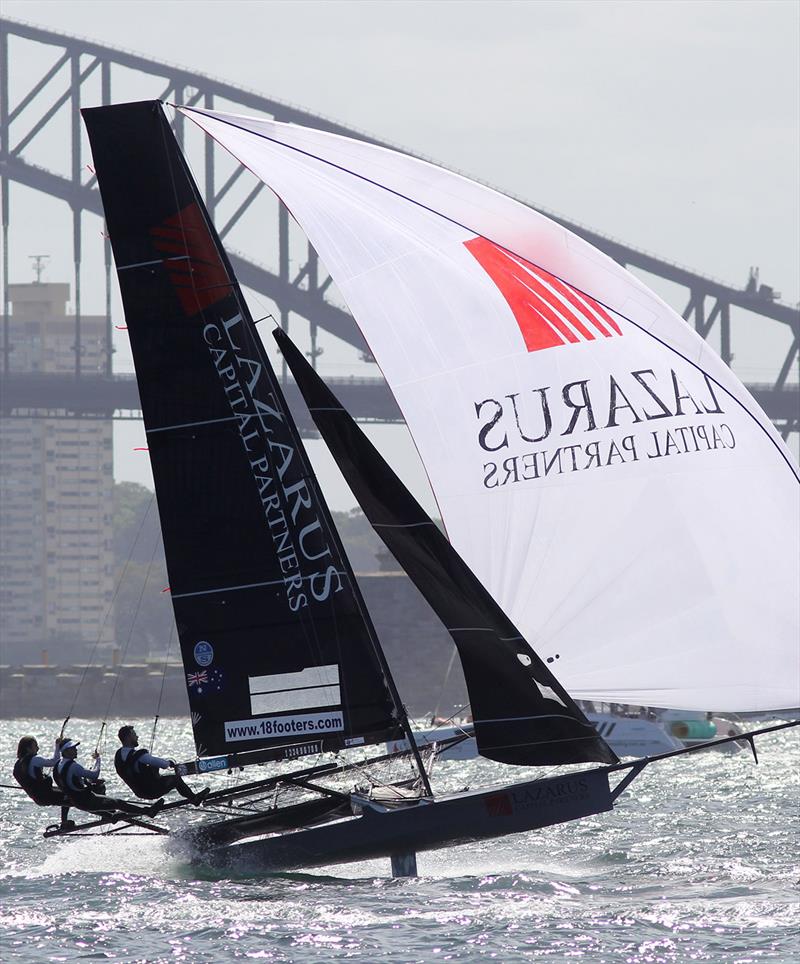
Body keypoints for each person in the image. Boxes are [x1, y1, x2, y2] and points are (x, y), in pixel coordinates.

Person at [54, 739, 164, 820]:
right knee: (119, 803)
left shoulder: (58, 765)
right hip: (87, 801)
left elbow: (70, 782)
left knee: (105, 795)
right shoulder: (74, 766)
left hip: (76, 801)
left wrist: (88, 783)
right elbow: (94, 774)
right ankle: (148, 811)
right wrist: (98, 760)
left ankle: (110, 816)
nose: (76, 750)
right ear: (66, 751)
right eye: (73, 748)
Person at [114, 726, 209, 806]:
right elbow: (161, 764)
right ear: (127, 737)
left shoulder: (118, 755)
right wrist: (169, 763)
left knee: (151, 768)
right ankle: (194, 799)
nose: (137, 737)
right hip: (152, 790)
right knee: (176, 779)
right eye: (134, 734)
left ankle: (193, 798)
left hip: (139, 792)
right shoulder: (139, 755)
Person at [13, 735, 74, 829]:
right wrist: (57, 746)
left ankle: (64, 822)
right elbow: (55, 761)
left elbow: (30, 781)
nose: (38, 748)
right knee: (72, 795)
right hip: (47, 796)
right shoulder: (35, 759)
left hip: (38, 798)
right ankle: (101, 811)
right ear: (28, 749)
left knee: (65, 792)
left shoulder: (18, 764)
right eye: (35, 746)